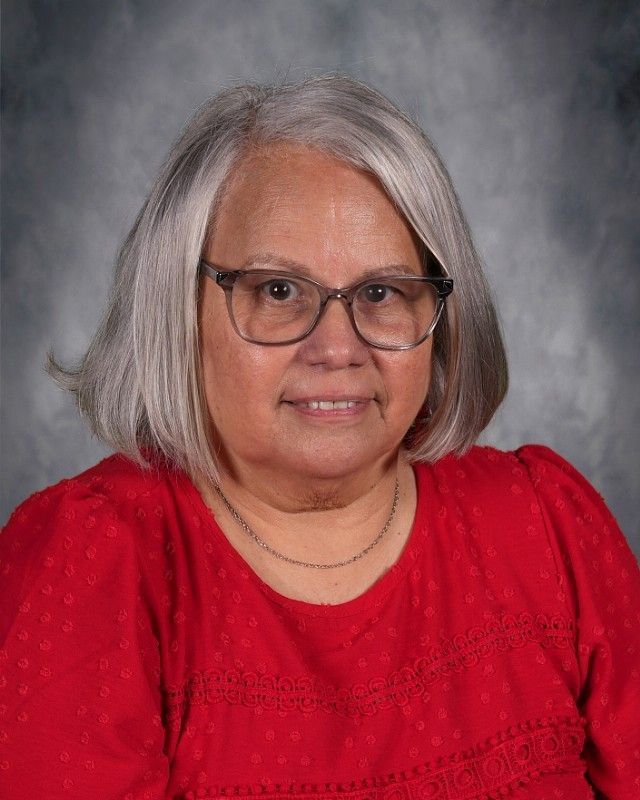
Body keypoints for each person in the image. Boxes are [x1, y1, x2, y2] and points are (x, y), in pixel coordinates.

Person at [1, 75, 638, 800]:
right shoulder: (90, 566)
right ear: (177, 307)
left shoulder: (546, 526)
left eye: (382, 292)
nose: (337, 347)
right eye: (278, 290)